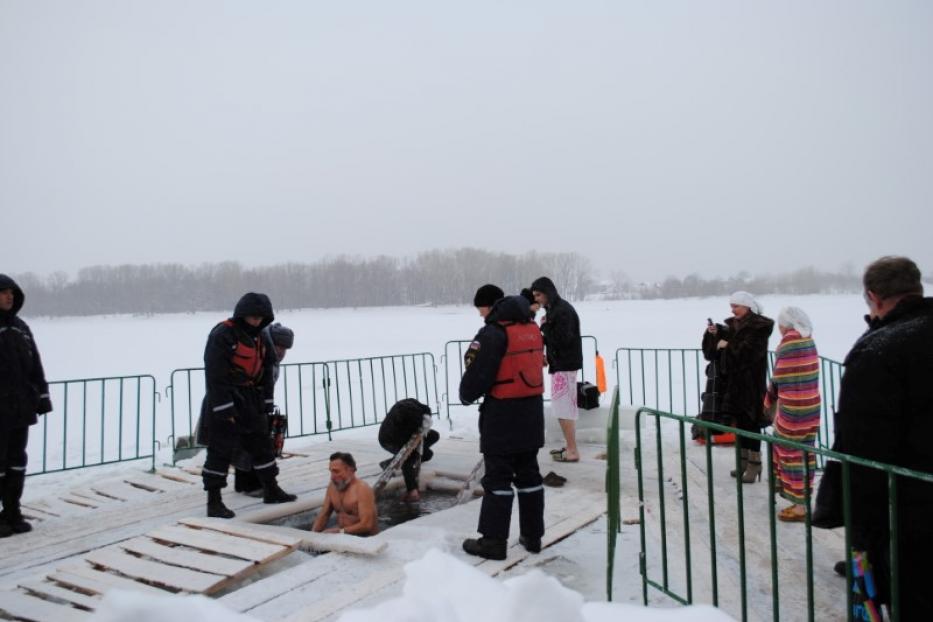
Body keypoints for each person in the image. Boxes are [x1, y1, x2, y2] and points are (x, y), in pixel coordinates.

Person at [828, 256, 933, 618]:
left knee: (912, 596)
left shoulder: (880, 349)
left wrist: (857, 524)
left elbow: (862, 444)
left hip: (908, 509)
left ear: (873, 296)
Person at [460, 293, 545, 560]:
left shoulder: (493, 334)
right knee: (530, 475)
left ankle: (493, 541)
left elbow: (479, 373)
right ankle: (533, 537)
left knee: (498, 478)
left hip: (502, 416)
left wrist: (466, 395)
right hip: (532, 413)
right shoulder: (532, 329)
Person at [200, 292, 296, 518]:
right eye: (252, 317)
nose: (256, 321)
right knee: (220, 450)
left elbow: (268, 368)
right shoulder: (223, 334)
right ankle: (214, 501)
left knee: (262, 444)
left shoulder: (262, 337)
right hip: (226, 395)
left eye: (260, 318)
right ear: (242, 314)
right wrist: (223, 407)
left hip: (251, 396)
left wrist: (266, 402)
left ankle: (271, 489)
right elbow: (214, 372)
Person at [0, 275, 53, 538]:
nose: (8, 297)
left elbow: (35, 366)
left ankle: (12, 512)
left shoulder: (20, 327)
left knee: (17, 462)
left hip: (20, 409)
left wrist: (42, 397)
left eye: (11, 292)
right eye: (3, 292)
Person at [704, 291, 774, 483]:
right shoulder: (735, 326)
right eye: (731, 306)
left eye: (736, 306)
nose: (732, 310)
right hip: (734, 384)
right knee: (740, 424)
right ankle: (743, 462)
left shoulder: (759, 327)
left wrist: (727, 344)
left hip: (750, 383)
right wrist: (715, 333)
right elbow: (719, 347)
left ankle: (755, 464)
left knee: (752, 424)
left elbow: (748, 353)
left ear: (747, 307)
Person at [767, 307, 821, 522]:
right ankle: (804, 498)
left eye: (780, 325)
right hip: (811, 407)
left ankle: (799, 506)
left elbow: (780, 378)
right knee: (806, 451)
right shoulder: (809, 341)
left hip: (792, 410)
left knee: (789, 453)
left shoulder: (788, 344)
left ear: (786, 325)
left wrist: (768, 400)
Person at [234, 321, 294, 494]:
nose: (281, 352)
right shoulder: (261, 357)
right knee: (254, 446)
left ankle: (243, 483)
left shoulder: (270, 359)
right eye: (278, 347)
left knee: (247, 446)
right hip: (247, 404)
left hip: (255, 404)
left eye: (285, 349)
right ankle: (251, 484)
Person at [531, 277, 583, 463]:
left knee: (564, 408)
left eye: (538, 295)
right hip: (561, 363)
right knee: (563, 407)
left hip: (565, 365)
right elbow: (555, 339)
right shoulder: (555, 309)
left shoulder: (561, 311)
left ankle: (572, 450)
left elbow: (563, 339)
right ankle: (571, 447)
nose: (537, 299)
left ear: (547, 292)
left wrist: (544, 326)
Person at [378, 398, 438, 502]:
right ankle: (410, 490)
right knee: (410, 457)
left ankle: (389, 462)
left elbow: (427, 409)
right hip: (390, 439)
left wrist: (425, 423)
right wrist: (412, 489)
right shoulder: (401, 419)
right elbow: (407, 453)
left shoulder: (416, 406)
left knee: (433, 438)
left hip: (409, 431)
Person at [311, 452, 378, 536]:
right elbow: (324, 515)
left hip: (365, 539)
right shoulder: (332, 487)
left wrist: (339, 532)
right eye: (331, 472)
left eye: (336, 471)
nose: (332, 477)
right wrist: (312, 535)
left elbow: (367, 525)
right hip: (343, 536)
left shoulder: (362, 489)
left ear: (351, 470)